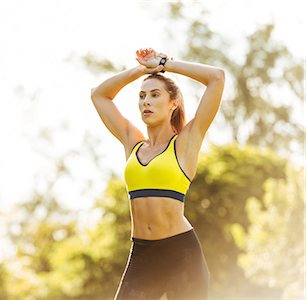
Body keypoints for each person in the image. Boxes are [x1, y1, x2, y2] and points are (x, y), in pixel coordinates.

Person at [90, 48, 225, 299]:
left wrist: (163, 65)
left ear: (173, 103)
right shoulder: (133, 143)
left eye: (154, 95)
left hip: (181, 255)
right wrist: (142, 70)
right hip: (142, 254)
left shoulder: (185, 143)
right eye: (141, 96)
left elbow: (216, 77)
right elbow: (99, 95)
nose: (146, 102)